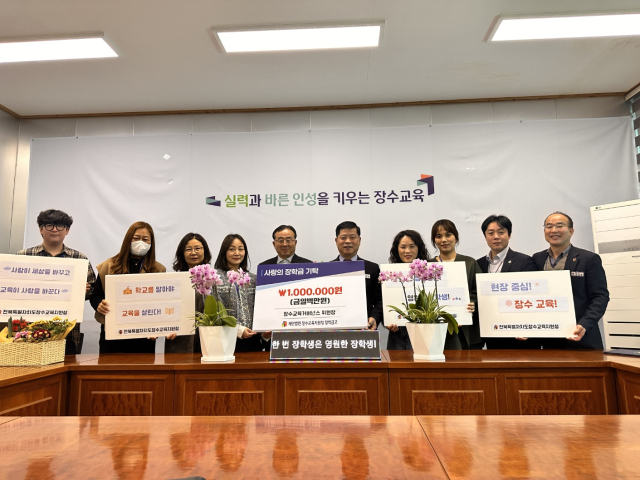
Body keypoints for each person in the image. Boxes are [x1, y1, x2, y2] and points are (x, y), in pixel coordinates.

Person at [17, 209, 96, 354]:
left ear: (67, 230)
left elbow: (92, 290)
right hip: (29, 329)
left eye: (60, 226)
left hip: (66, 329)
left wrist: (82, 290)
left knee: (66, 366)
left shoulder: (79, 258)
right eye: (49, 225)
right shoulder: (23, 256)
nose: (54, 230)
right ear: (40, 229)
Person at [531, 212, 609, 349]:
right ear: (544, 231)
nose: (554, 230)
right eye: (549, 226)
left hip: (581, 337)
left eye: (559, 226)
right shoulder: (537, 258)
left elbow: (600, 296)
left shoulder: (588, 259)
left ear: (571, 231)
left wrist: (585, 323)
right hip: (548, 339)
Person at [90, 221, 166, 353]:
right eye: (136, 238)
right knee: (110, 366)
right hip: (113, 333)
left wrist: (159, 325)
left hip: (144, 335)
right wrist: (99, 305)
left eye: (145, 239)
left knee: (143, 366)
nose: (140, 242)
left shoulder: (158, 269)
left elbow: (162, 302)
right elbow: (96, 295)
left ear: (151, 243)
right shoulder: (109, 266)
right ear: (128, 239)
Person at [476, 215, 537, 349]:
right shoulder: (479, 264)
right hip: (490, 331)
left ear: (509, 235)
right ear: (485, 236)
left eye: (501, 232)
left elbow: (533, 297)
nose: (496, 237)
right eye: (491, 233)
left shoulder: (524, 261)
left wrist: (528, 326)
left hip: (518, 334)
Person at [431, 219, 482, 349]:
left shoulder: (470, 262)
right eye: (438, 236)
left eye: (448, 235)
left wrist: (472, 303)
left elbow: (479, 291)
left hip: (466, 328)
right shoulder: (428, 266)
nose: (444, 240)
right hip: (437, 330)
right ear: (434, 240)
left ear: (456, 237)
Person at [214, 234, 268, 352]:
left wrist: (264, 332)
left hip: (252, 341)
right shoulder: (215, 279)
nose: (237, 253)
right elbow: (213, 314)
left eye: (241, 249)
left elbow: (260, 310)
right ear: (224, 252)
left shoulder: (253, 279)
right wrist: (238, 330)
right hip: (224, 340)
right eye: (232, 249)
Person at [165, 233, 212, 354]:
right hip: (180, 339)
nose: (193, 253)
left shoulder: (213, 279)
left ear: (205, 251)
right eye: (188, 249)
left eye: (197, 248)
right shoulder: (174, 281)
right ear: (182, 253)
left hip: (208, 338)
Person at [330, 221, 382, 331]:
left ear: (359, 240)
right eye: (343, 237)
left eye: (352, 237)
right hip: (334, 329)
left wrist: (374, 318)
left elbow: (379, 301)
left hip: (364, 328)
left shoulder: (372, 268)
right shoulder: (327, 269)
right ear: (336, 241)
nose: (348, 241)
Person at [386, 230, 431, 350]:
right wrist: (388, 321)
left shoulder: (429, 272)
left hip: (424, 331)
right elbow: (383, 303)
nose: (407, 251)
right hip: (397, 333)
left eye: (412, 246)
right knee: (396, 362)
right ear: (397, 249)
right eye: (403, 247)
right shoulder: (389, 273)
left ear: (419, 248)